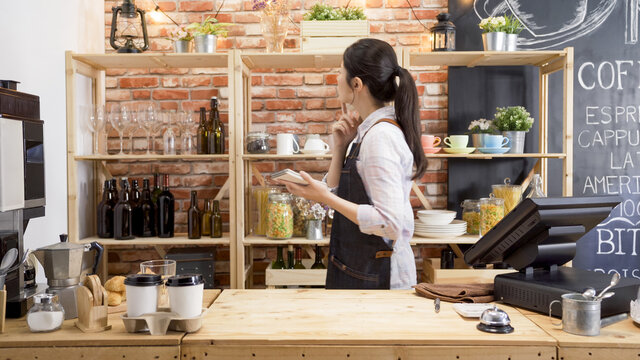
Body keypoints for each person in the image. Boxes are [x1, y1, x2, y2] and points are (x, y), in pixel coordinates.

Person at [279, 38, 427, 289]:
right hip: (361, 269)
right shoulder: (367, 133)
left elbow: (390, 223)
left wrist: (324, 197)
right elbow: (343, 193)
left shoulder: (380, 138)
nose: (336, 78)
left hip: (379, 278)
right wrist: (340, 148)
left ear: (356, 84)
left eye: (339, 71)